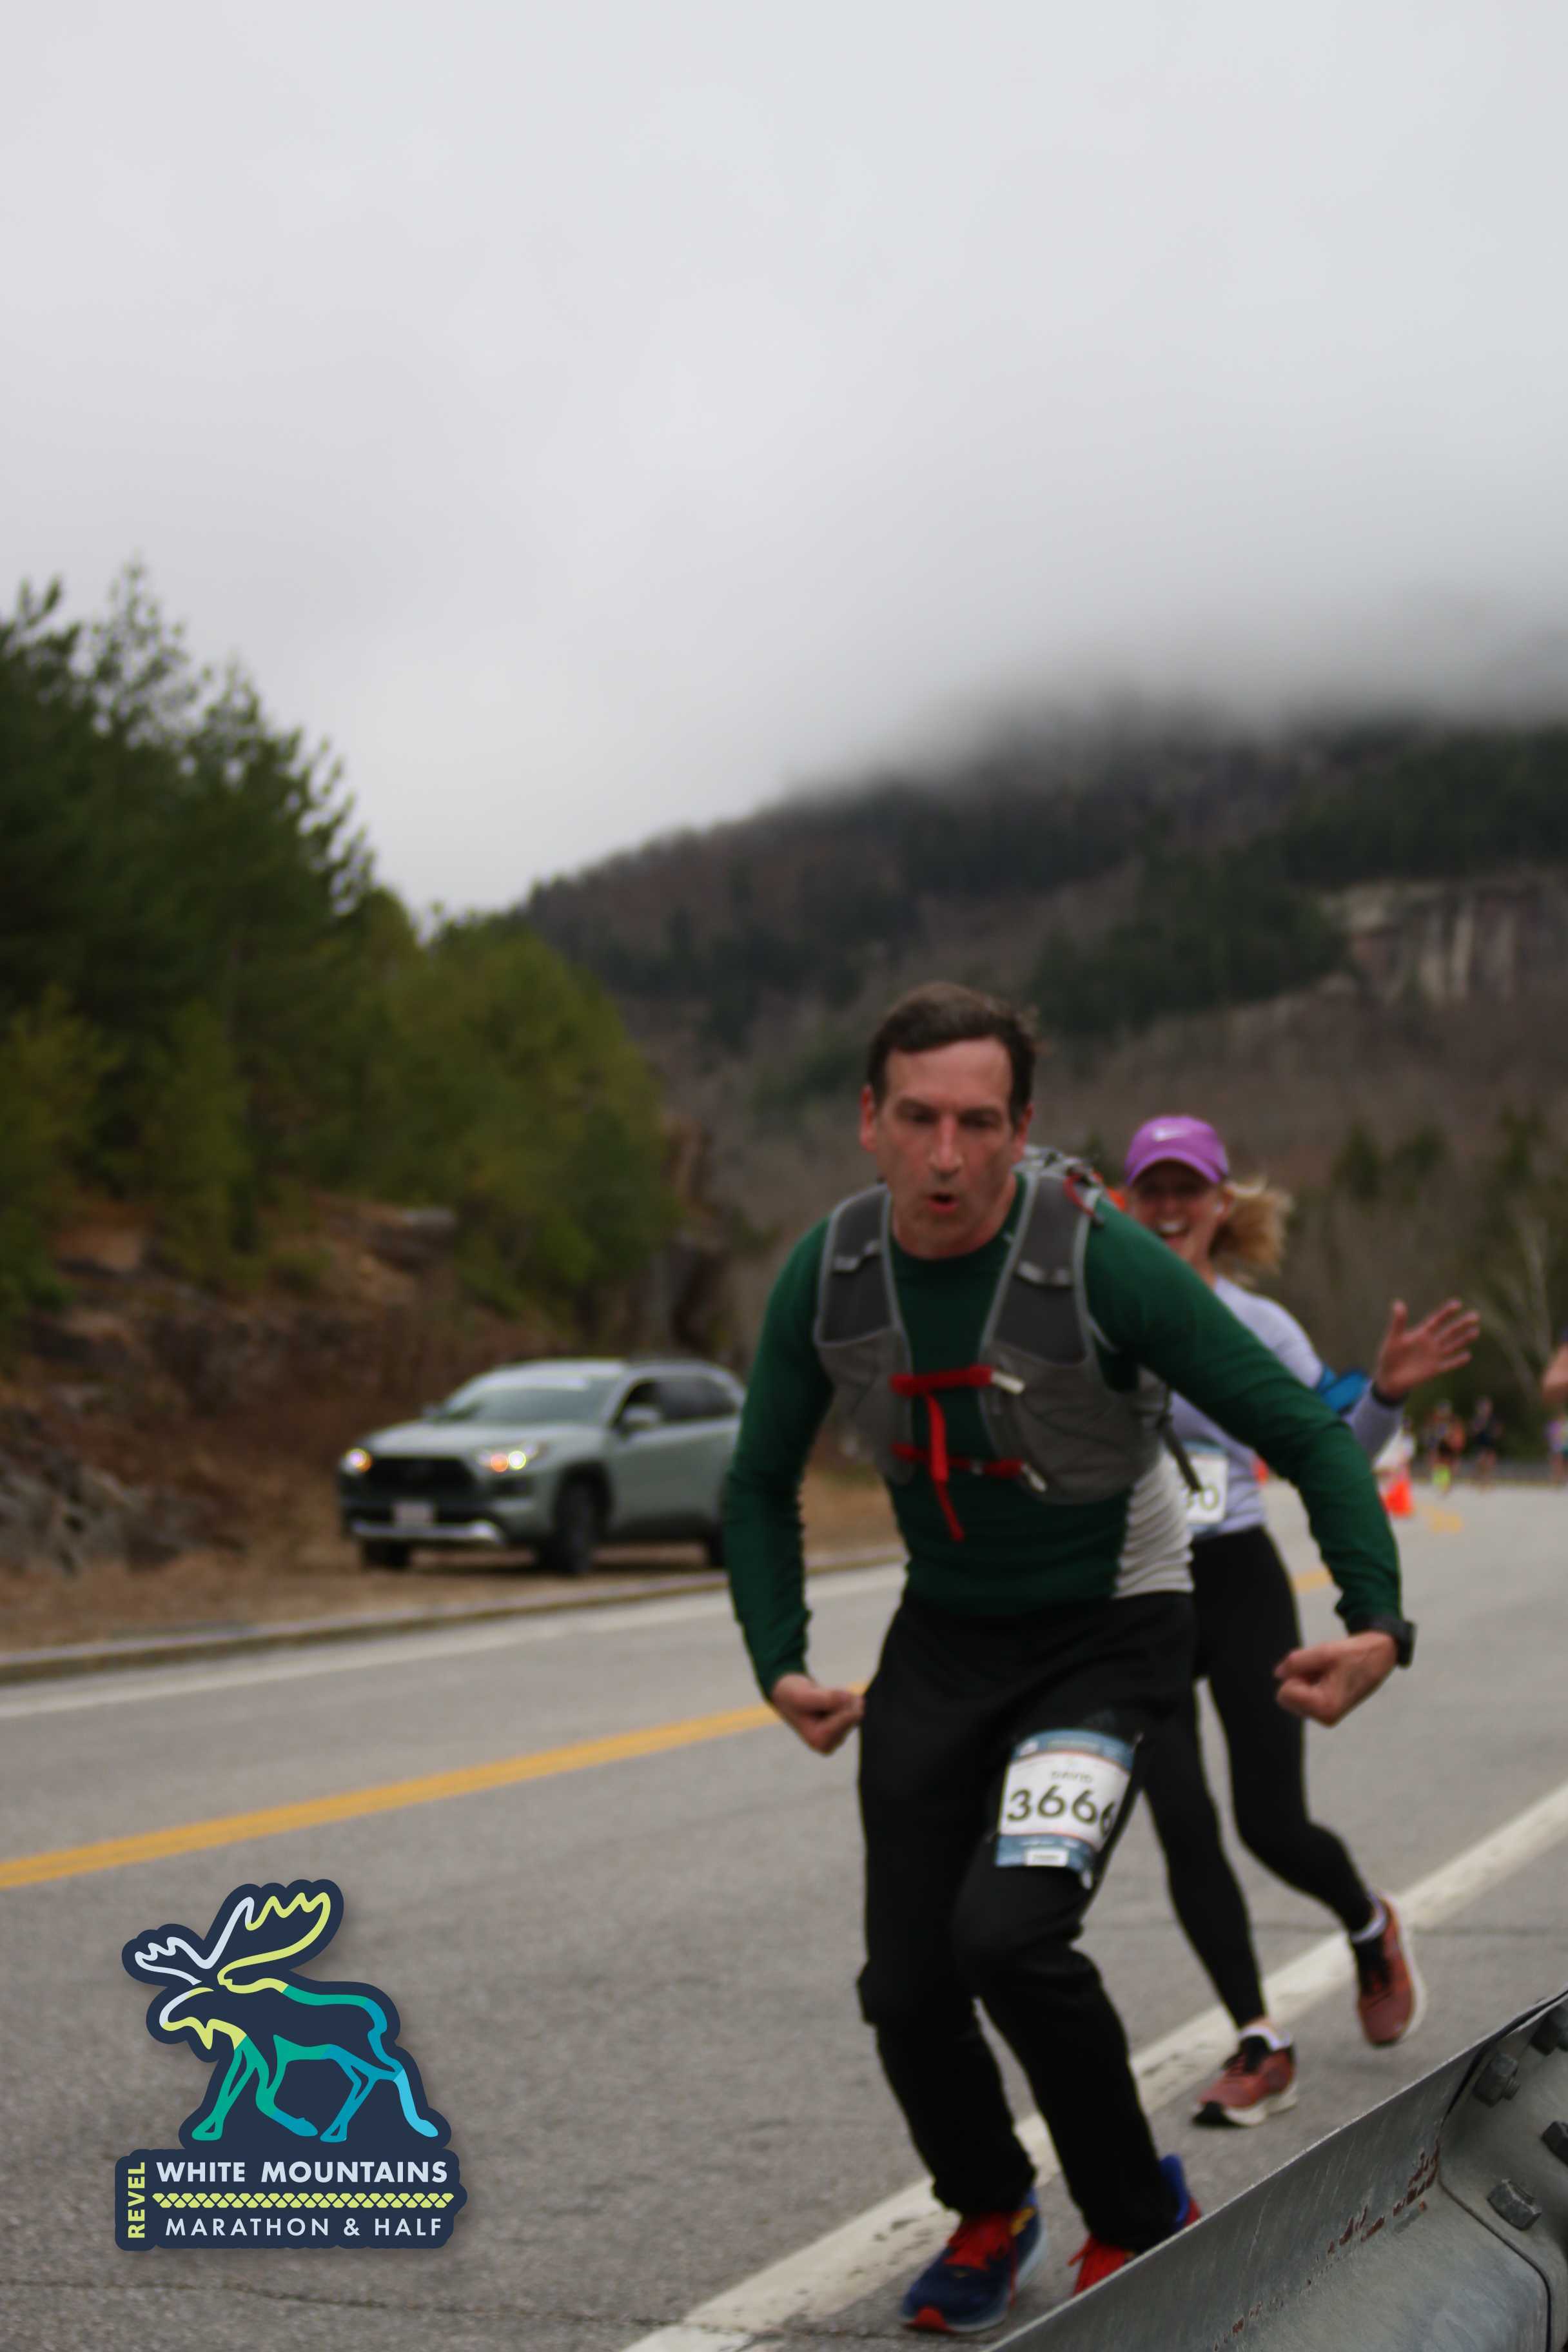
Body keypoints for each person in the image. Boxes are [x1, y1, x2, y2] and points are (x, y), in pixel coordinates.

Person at [724, 984, 1413, 2334]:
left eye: (978, 1122)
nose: (945, 1155)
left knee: (1009, 1934)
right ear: (867, 1119)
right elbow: (757, 1481)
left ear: (1022, 1123)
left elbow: (1301, 1430)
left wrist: (1378, 1620)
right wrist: (777, 1655)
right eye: (916, 1117)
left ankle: (1137, 2217)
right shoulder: (832, 1268)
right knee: (906, 1981)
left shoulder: (1104, 1259)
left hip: (1109, 1632)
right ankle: (990, 2206)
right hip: (945, 1637)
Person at [1122, 1119, 1477, 2127]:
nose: (1170, 1208)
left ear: (1220, 1203)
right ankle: (1258, 2039)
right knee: (1181, 1819)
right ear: (1126, 1203)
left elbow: (1335, 1451)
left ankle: (1368, 1925)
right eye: (1152, 1190)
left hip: (1234, 1575)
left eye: (1188, 1189)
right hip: (1134, 1591)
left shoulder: (1257, 1324)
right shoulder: (1096, 1314)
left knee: (1268, 1823)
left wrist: (1388, 1392)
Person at [1467, 1396, 1503, 1488]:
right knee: (1480, 1463)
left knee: (1490, 1464)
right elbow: (1472, 1431)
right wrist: (1480, 1426)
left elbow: (1498, 1430)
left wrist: (1494, 1433)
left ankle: (1489, 1481)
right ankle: (1478, 1481)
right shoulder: (1477, 1419)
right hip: (1480, 1445)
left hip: (1490, 1445)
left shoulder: (1493, 1419)